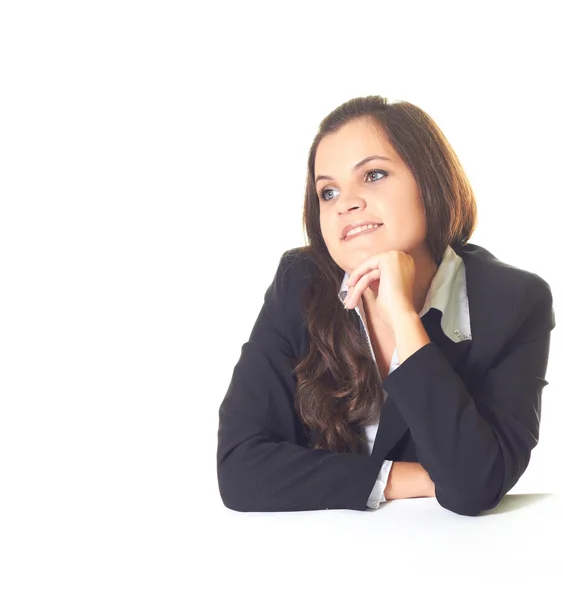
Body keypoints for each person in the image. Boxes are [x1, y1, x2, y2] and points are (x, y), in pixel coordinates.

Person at [216, 95, 556, 516]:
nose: (345, 203)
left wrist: (402, 315)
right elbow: (240, 469)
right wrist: (408, 478)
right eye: (328, 191)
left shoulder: (513, 302)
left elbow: (474, 488)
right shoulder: (299, 282)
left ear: (431, 181)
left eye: (373, 174)